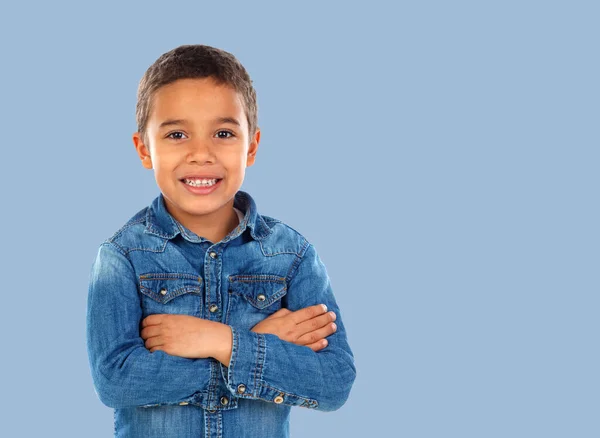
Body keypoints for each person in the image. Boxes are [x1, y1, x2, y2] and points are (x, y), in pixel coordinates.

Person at [86, 44, 356, 438]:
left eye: (223, 133)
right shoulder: (122, 257)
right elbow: (117, 381)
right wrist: (257, 346)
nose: (201, 153)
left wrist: (219, 340)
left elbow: (334, 382)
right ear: (144, 149)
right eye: (177, 134)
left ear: (252, 146)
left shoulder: (291, 255)